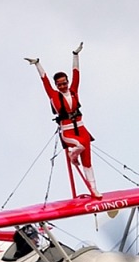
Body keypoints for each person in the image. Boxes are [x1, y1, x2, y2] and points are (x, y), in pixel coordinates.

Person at [25, 42, 101, 198]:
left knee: (87, 160)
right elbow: (44, 80)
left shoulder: (73, 90)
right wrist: (38, 64)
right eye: (59, 84)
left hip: (81, 128)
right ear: (56, 85)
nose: (63, 86)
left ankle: (93, 188)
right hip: (68, 131)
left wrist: (75, 55)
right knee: (78, 146)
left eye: (65, 83)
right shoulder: (53, 95)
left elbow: (77, 73)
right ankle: (73, 156)